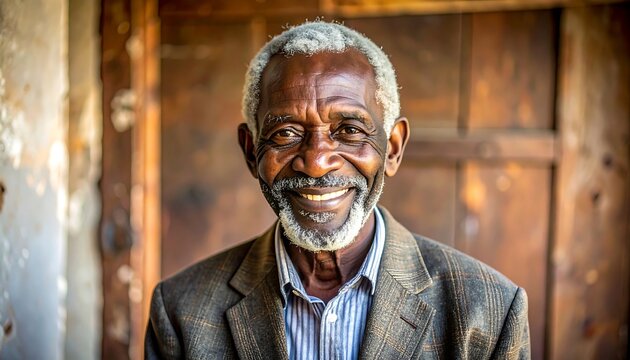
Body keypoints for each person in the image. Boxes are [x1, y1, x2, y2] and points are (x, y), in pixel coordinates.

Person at [145, 21, 530, 359]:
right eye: (285, 134)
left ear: (393, 148)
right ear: (251, 152)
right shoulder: (182, 310)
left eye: (349, 131)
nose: (316, 162)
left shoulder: (488, 312)